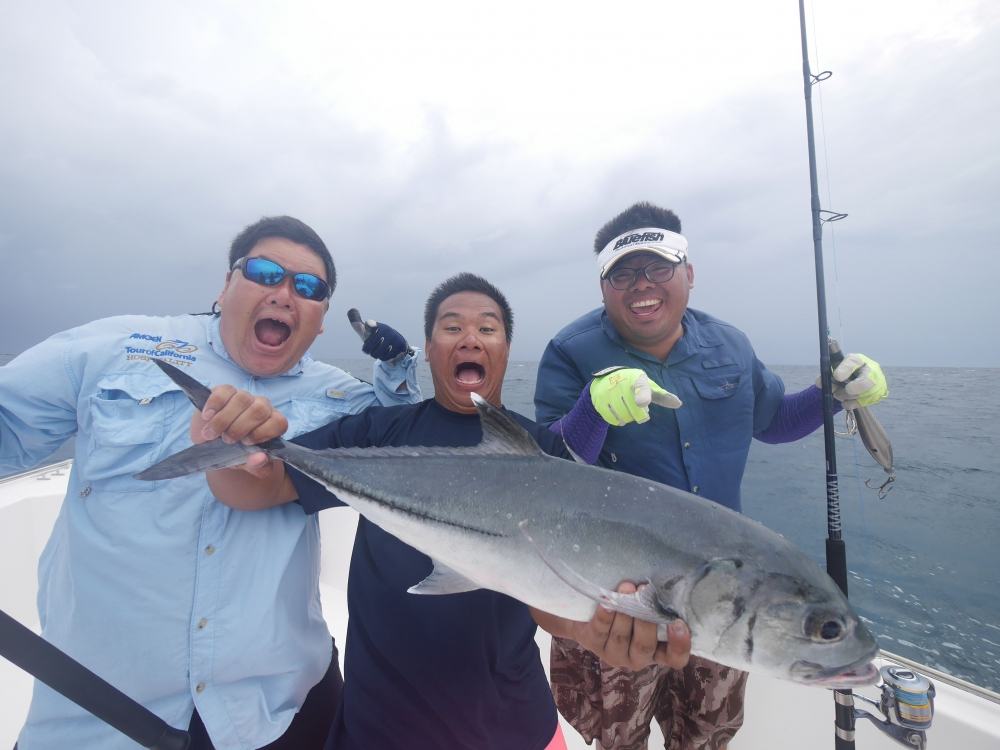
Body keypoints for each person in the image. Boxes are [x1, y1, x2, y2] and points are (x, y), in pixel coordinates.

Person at [189, 272, 694, 750]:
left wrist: (590, 628)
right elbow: (264, 486)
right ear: (429, 350)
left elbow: (552, 594)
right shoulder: (378, 435)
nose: (469, 338)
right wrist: (227, 448)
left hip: (512, 726)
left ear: (505, 350)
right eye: (451, 327)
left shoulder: (546, 455)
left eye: (487, 328)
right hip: (378, 726)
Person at [0, 216, 421, 750]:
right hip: (97, 715)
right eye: (265, 272)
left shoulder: (339, 394)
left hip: (287, 706)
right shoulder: (111, 348)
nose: (284, 293)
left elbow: (409, 442)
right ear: (225, 286)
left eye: (309, 287)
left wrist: (398, 365)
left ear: (320, 322)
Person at [533, 201, 889, 750]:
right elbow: (547, 470)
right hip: (624, 598)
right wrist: (592, 408)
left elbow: (772, 421)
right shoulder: (571, 351)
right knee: (616, 737)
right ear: (603, 286)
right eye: (623, 273)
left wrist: (833, 395)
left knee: (707, 734)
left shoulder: (729, 345)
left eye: (658, 267)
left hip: (728, 592)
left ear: (689, 275)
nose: (641, 284)